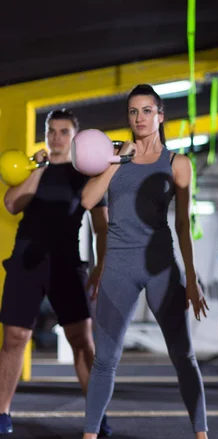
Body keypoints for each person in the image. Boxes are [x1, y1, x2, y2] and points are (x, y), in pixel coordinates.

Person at [79, 84, 210, 439]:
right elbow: (89, 200)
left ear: (160, 116)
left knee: (183, 357)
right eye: (133, 112)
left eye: (146, 111)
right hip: (118, 268)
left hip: (161, 269)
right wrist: (118, 162)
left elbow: (183, 225)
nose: (139, 118)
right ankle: (89, 435)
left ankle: (202, 434)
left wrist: (193, 279)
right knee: (105, 360)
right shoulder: (113, 156)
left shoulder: (176, 163)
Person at [0, 109, 112, 436]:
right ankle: (3, 413)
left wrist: (100, 266)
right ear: (46, 134)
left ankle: (97, 415)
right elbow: (11, 204)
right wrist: (39, 168)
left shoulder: (87, 174)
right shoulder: (33, 169)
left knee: (81, 339)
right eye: (52, 131)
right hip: (25, 261)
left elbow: (101, 228)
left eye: (64, 131)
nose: (57, 137)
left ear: (75, 137)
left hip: (65, 263)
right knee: (14, 338)